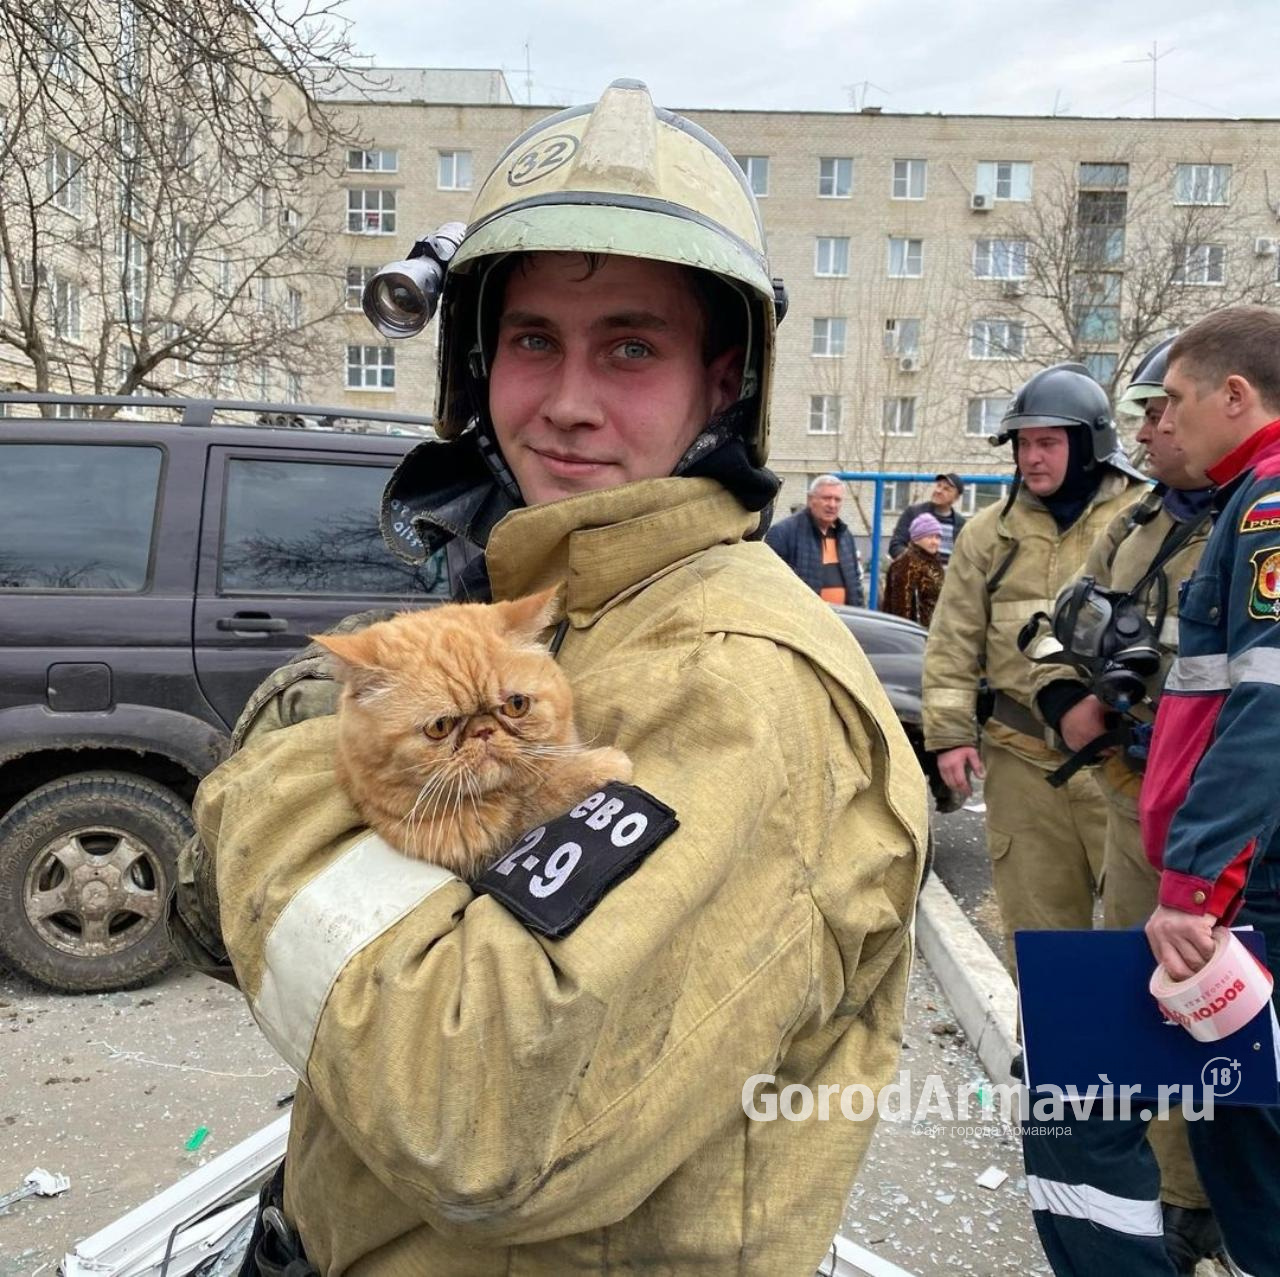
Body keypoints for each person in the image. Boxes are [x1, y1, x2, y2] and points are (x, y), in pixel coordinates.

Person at [169, 80, 926, 1276]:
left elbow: (478, 1111)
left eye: (630, 346)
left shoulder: (732, 678)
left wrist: (275, 782)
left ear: (721, 381)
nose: (566, 404)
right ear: (479, 364)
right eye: (533, 341)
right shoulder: (565, 603)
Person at [1022, 338, 1223, 1275]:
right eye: (1139, 411)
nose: (1145, 429)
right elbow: (1047, 623)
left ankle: (1200, 1200)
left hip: (1236, 831)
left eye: (1159, 409)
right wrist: (1071, 699)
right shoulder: (1138, 521)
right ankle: (1164, 1207)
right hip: (1142, 810)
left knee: (1223, 1022)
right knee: (1153, 1014)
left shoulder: (1253, 527)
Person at [1137, 305, 1280, 1274]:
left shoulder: (1270, 504)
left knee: (1253, 1148)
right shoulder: (1244, 498)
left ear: (1234, 395)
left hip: (1252, 880)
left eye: (1177, 399)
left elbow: (1268, 705)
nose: (1164, 420)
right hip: (1249, 866)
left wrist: (1196, 883)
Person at [922, 363, 1145, 957]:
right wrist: (948, 735)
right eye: (1023, 443)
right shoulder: (989, 534)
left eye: (1048, 442)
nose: (1032, 458)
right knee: (1039, 931)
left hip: (1121, 764)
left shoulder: (1143, 523)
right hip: (1020, 760)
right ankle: (1043, 1049)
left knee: (1141, 933)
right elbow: (952, 640)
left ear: (1090, 444)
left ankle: (1133, 1054)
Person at [765, 473, 866, 605]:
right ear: (810, 499)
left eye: (837, 499)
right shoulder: (783, 533)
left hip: (844, 620)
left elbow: (856, 584)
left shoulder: (845, 536)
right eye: (826, 498)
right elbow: (771, 585)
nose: (832, 504)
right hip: (803, 621)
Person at [881, 511, 945, 627]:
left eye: (938, 537)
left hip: (933, 632)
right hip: (916, 635)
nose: (935, 542)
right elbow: (900, 610)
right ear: (917, 538)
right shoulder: (907, 563)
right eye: (930, 536)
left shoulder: (933, 561)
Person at [888, 472, 967, 562]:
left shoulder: (961, 524)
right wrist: (918, 563)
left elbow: (964, 559)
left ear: (956, 498)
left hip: (947, 574)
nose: (939, 491)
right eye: (938, 485)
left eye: (946, 489)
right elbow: (895, 546)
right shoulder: (914, 513)